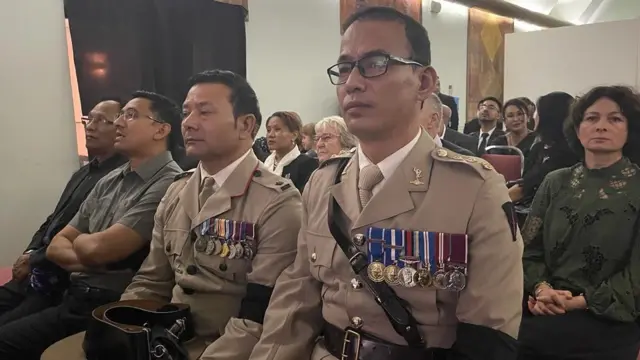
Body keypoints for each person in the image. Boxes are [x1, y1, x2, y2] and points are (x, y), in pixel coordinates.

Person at [249, 7, 523, 360]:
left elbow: (488, 339)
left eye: (375, 63)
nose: (353, 82)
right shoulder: (323, 181)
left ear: (423, 82)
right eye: (345, 67)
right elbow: (297, 296)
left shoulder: (474, 189)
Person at [0, 91, 183, 360]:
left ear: (161, 130)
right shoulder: (109, 179)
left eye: (130, 115)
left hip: (111, 303)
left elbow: (99, 248)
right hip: (72, 294)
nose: (119, 122)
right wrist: (92, 253)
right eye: (120, 115)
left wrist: (87, 246)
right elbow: (56, 245)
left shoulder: (170, 182)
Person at [518, 85, 640, 360]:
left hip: (609, 316)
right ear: (577, 127)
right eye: (591, 118)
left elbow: (636, 274)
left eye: (615, 119)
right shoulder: (555, 181)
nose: (601, 126)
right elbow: (528, 250)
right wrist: (542, 289)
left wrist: (580, 302)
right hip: (544, 307)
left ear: (630, 129)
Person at [0, 99, 126, 327]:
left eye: (101, 121)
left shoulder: (118, 180)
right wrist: (30, 252)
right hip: (36, 269)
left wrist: (35, 259)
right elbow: (53, 220)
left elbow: (80, 235)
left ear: (120, 127)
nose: (91, 126)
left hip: (58, 280)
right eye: (89, 119)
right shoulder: (84, 172)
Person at [508, 92, 579, 202]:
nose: (534, 116)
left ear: (548, 116)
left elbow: (526, 187)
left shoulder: (568, 153)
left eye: (537, 111)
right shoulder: (539, 147)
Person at [264, 111, 318, 192]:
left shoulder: (307, 164)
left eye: (277, 129)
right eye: (268, 130)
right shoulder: (266, 163)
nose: (271, 135)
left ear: (294, 135)